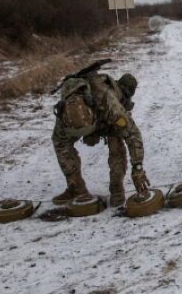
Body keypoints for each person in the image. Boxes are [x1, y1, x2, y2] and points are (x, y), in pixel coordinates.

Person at [51, 71, 151, 206]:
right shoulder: (66, 113)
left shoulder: (111, 107)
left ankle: (116, 189)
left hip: (105, 117)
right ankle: (76, 188)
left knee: (116, 144)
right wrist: (73, 179)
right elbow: (59, 143)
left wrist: (137, 168)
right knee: (60, 143)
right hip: (86, 118)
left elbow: (133, 134)